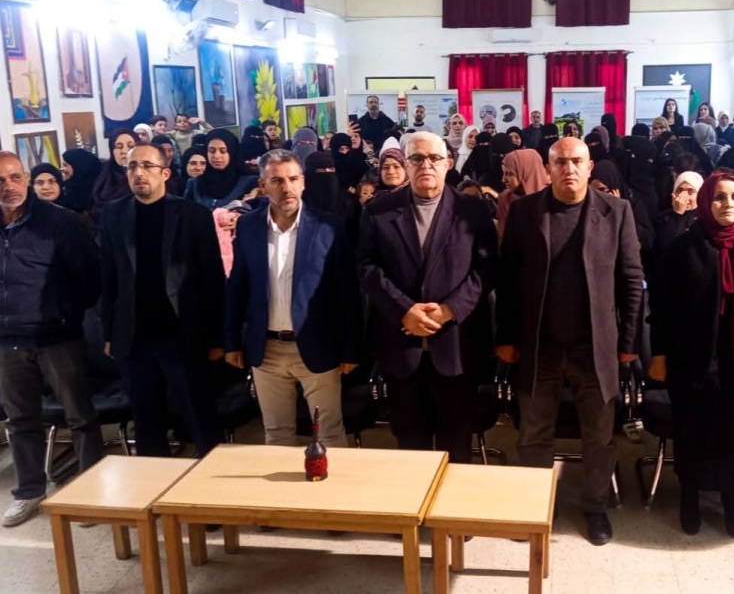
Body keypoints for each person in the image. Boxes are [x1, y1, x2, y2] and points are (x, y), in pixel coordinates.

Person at [496, 137, 644, 546]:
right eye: (560, 162)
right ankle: (535, 506)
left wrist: (629, 340)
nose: (569, 169)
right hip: (539, 345)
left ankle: (595, 507)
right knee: (533, 434)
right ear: (547, 169)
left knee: (599, 436)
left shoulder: (617, 212)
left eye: (577, 161)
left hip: (595, 348)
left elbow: (632, 280)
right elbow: (507, 280)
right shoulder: (525, 211)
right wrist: (505, 337)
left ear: (590, 166)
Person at [0, 151, 104, 527]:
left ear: (26, 178)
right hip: (4, 336)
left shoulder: (61, 221)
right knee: (20, 419)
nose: (8, 186)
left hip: (56, 335)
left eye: (14, 177)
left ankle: (91, 493)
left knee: (80, 416)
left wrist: (65, 312)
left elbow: (90, 277)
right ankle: (28, 491)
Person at [648, 171, 734, 537]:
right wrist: (659, 354)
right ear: (705, 202)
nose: (728, 204)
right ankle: (689, 497)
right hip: (691, 360)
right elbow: (661, 307)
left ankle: (732, 500)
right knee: (691, 431)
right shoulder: (683, 247)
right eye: (719, 197)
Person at [358, 132, 497, 464]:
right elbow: (367, 267)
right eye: (417, 158)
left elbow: (487, 269)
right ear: (405, 164)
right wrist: (403, 310)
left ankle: (452, 500)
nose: (426, 165)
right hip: (401, 346)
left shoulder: (473, 211)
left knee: (456, 446)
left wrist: (450, 309)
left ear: (448, 162)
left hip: (456, 347)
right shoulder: (378, 212)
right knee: (410, 446)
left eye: (434, 158)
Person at [226, 150, 361, 447]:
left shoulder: (329, 226)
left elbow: (347, 292)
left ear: (303, 182)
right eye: (277, 181)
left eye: (293, 179)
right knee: (276, 433)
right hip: (267, 349)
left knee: (329, 432)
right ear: (263, 185)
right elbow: (238, 286)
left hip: (317, 345)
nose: (286, 187)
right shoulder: (248, 226)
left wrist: (351, 349)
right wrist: (232, 340)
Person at [99, 143, 224, 457]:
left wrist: (216, 338)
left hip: (183, 334)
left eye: (147, 166)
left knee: (199, 417)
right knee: (146, 422)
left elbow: (212, 279)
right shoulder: (113, 214)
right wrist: (109, 332)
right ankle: (154, 481)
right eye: (132, 166)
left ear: (165, 173)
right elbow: (110, 277)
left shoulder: (193, 215)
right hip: (134, 336)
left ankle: (211, 478)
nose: (138, 173)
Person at [183, 129, 260, 209]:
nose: (217, 156)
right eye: (211, 151)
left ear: (232, 152)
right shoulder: (195, 183)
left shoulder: (250, 182)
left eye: (223, 151)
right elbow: (185, 212)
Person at [90, 130, 137, 232]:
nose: (124, 151)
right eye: (119, 147)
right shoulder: (104, 179)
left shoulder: (146, 178)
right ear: (112, 150)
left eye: (130, 146)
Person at [652, 171, 702, 264]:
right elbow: (663, 246)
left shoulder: (704, 218)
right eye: (679, 191)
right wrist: (678, 214)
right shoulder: (663, 218)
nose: (684, 197)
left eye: (690, 192)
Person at [496, 149, 549, 236]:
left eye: (510, 174)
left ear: (525, 172)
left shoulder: (551, 196)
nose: (503, 179)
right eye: (504, 173)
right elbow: (504, 237)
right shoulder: (505, 199)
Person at [59, 148, 102, 216]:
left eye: (65, 165)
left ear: (78, 166)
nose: (61, 169)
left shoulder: (99, 192)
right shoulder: (67, 190)